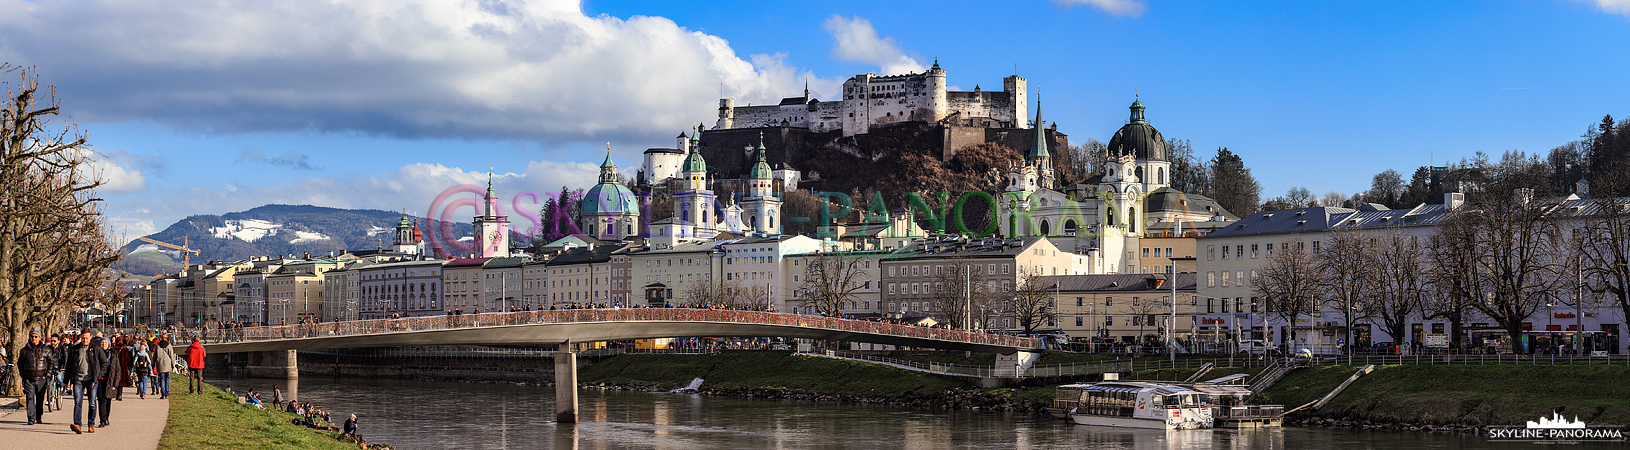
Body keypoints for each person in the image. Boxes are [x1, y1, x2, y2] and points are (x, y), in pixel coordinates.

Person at [65, 331, 103, 434]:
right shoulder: (75, 349)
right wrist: (66, 381)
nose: (84, 340)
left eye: (86, 338)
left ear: (90, 337)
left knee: (92, 403)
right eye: (82, 338)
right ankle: (77, 424)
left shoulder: (96, 348)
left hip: (92, 380)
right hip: (78, 379)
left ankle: (91, 424)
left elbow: (103, 362)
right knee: (78, 402)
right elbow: (69, 365)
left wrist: (98, 376)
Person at [18, 329, 57, 425]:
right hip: (29, 379)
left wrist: (47, 374)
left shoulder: (46, 349)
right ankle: (31, 418)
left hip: (41, 379)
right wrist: (23, 375)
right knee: (30, 398)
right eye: (32, 336)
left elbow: (51, 362)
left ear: (39, 338)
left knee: (40, 399)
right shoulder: (25, 350)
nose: (34, 338)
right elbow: (20, 363)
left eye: (36, 336)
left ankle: (38, 417)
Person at [96, 336, 123, 428]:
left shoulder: (113, 355)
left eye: (105, 343)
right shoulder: (97, 353)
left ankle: (106, 417)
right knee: (101, 400)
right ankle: (102, 420)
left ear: (109, 345)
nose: (103, 344)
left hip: (110, 380)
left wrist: (116, 383)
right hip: (100, 380)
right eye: (102, 342)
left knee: (108, 400)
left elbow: (117, 370)